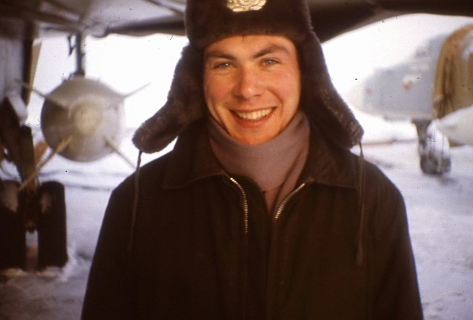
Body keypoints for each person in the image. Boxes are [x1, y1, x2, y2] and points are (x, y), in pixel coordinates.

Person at [82, 0, 423, 319]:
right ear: (196, 79)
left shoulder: (372, 199)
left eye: (269, 61)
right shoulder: (137, 203)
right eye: (224, 64)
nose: (247, 89)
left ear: (305, 71)